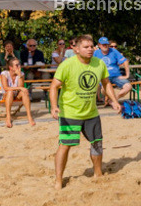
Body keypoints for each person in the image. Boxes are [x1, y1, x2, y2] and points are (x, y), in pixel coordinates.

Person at [50, 35, 121, 190]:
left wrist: (114, 101)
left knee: (97, 143)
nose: (90, 49)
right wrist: (54, 106)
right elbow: (54, 86)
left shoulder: (99, 64)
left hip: (91, 113)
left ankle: (98, 174)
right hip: (70, 114)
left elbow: (106, 83)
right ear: (76, 49)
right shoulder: (67, 65)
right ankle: (58, 180)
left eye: (91, 47)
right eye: (86, 47)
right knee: (65, 145)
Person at [93, 37, 132, 104]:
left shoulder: (114, 51)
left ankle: (113, 100)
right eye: (103, 44)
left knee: (128, 86)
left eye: (106, 44)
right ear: (99, 45)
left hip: (116, 76)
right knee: (103, 89)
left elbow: (125, 61)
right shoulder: (96, 53)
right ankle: (112, 100)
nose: (105, 46)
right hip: (103, 77)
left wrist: (127, 75)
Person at [0, 57, 36, 127]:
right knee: (10, 91)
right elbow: (5, 88)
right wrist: (20, 88)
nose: (19, 66)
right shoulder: (4, 74)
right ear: (11, 67)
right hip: (6, 94)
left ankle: (29, 116)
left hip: (16, 94)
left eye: (19, 64)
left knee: (24, 92)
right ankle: (8, 117)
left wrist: (19, 75)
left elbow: (21, 86)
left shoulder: (21, 73)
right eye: (17, 65)